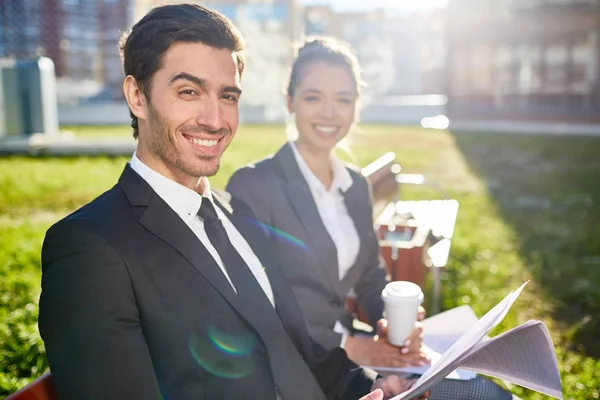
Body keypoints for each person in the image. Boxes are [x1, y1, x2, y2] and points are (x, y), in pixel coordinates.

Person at [38, 4, 431, 400]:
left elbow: (300, 352)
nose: (214, 118)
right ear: (137, 96)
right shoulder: (88, 248)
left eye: (227, 95)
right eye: (188, 91)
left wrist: (376, 386)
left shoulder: (236, 212)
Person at [226, 37, 513, 400]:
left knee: (488, 393)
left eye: (343, 99)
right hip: (298, 371)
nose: (329, 113)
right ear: (290, 102)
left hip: (360, 349)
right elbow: (259, 301)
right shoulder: (254, 185)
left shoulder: (355, 185)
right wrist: (354, 346)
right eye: (314, 97)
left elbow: (369, 275)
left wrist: (393, 322)